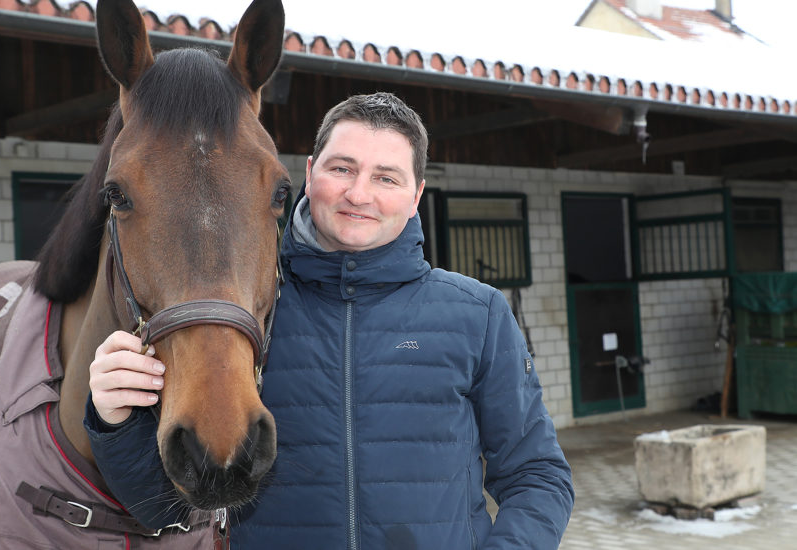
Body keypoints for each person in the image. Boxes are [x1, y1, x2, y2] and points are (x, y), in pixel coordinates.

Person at [85, 92, 574, 549]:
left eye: (386, 177)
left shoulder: (478, 313)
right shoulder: (238, 313)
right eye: (343, 168)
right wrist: (114, 420)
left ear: (416, 195)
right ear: (311, 172)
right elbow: (157, 508)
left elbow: (538, 476)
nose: (359, 194)